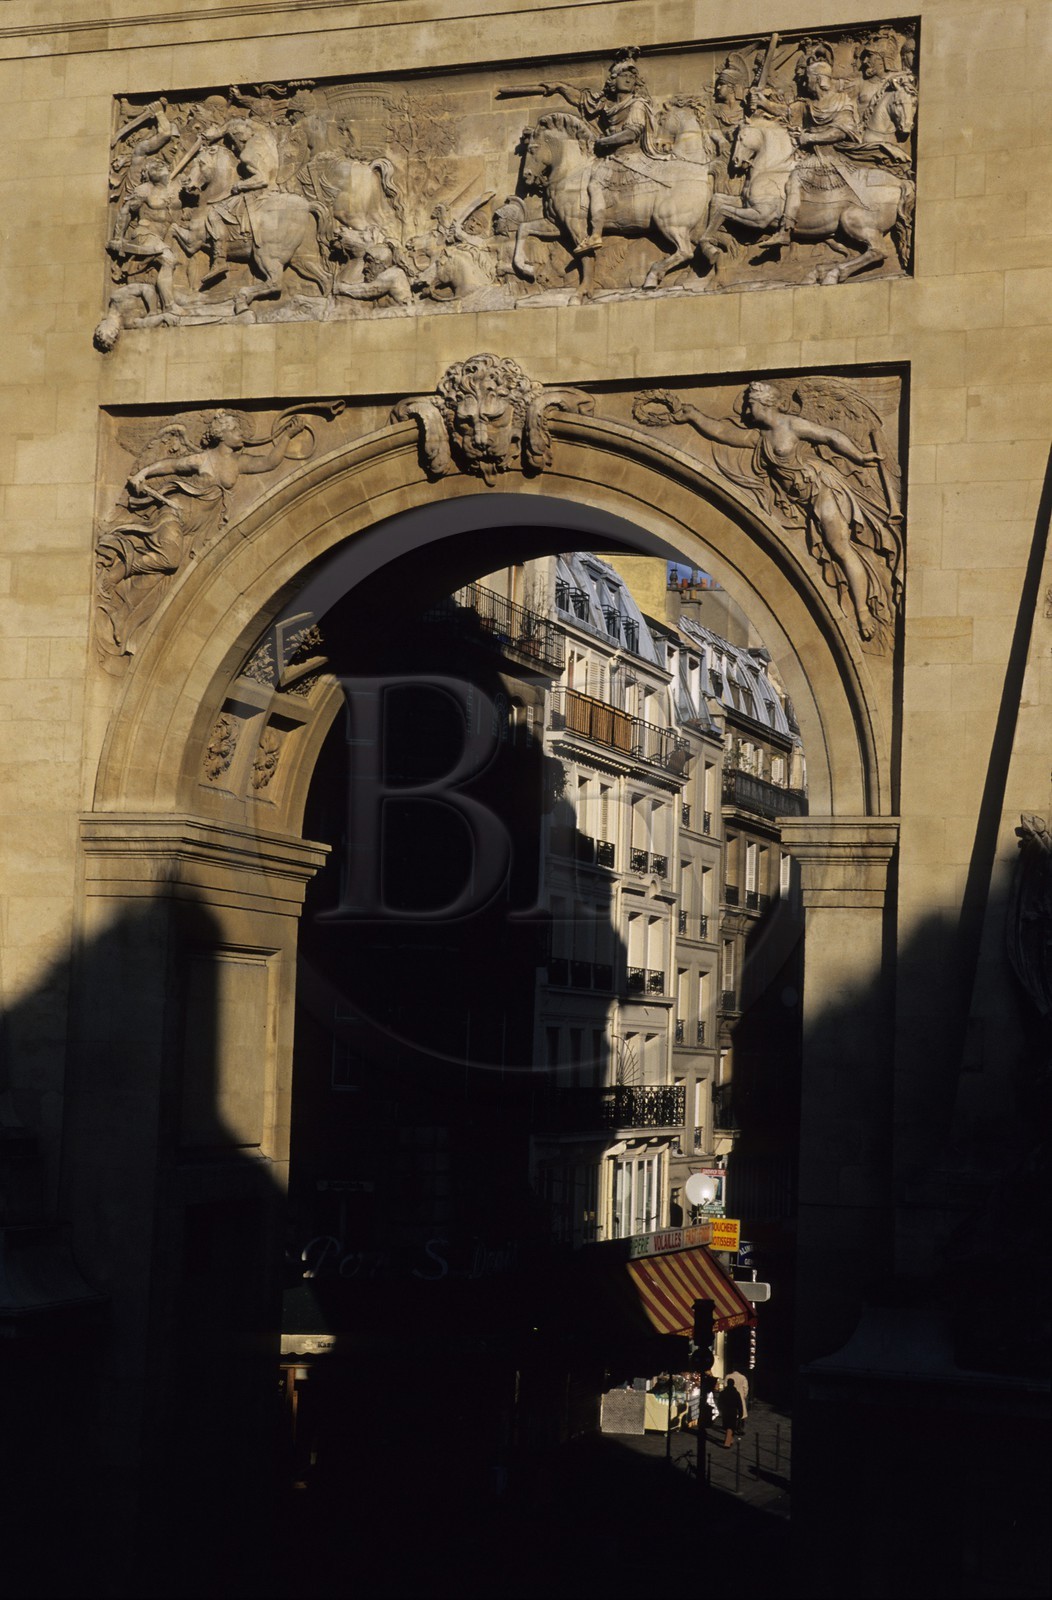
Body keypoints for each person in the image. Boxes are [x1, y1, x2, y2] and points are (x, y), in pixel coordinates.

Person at [716, 1376, 743, 1448]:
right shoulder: (736, 1393)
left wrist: (721, 1409)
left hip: (725, 1411)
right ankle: (727, 1443)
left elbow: (719, 1402)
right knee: (731, 1427)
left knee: (728, 1426)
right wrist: (741, 1413)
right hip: (733, 1411)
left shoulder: (723, 1393)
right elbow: (739, 1404)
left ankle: (729, 1440)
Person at [725, 1368, 749, 1432]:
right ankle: (740, 1428)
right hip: (740, 1397)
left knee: (731, 1413)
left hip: (730, 1398)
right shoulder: (743, 1377)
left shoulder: (728, 1376)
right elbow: (745, 1388)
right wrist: (744, 1396)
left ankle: (730, 1429)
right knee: (741, 1412)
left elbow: (725, 1386)